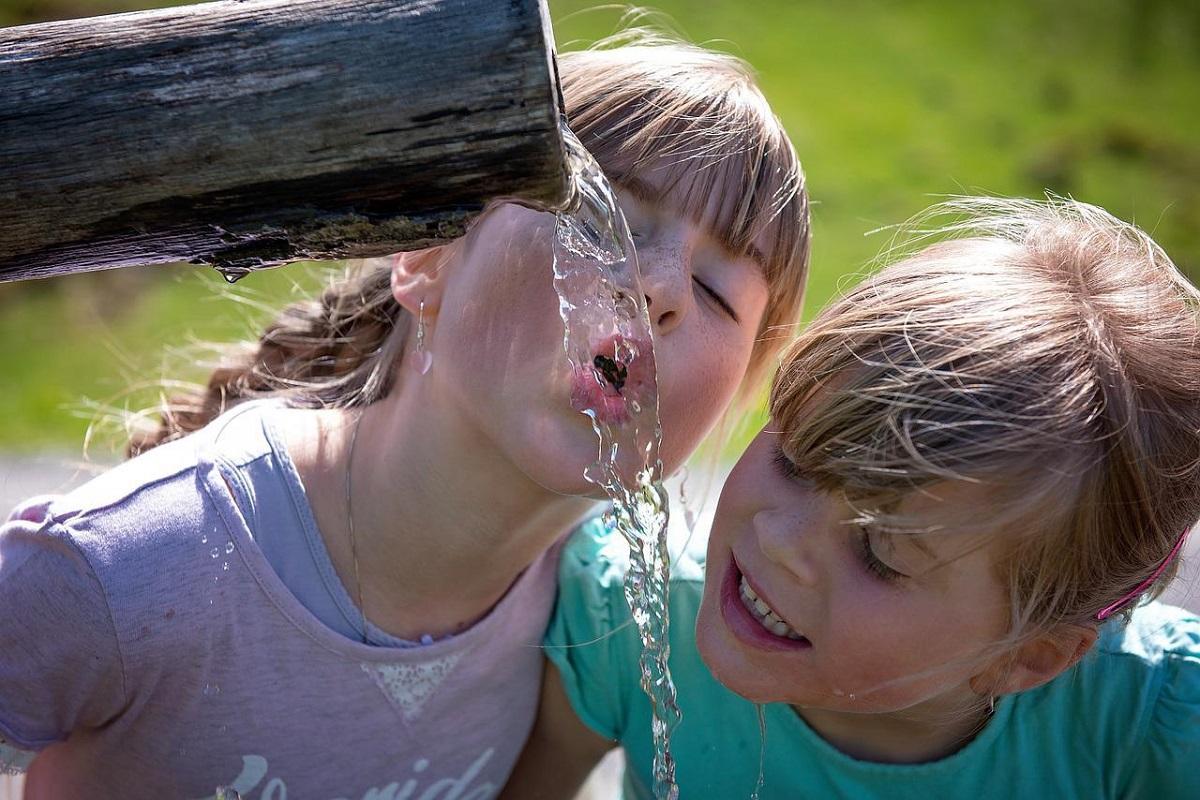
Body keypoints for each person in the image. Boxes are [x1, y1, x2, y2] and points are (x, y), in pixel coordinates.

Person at [0, 35, 810, 799]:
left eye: (716, 292)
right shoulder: (134, 562)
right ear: (426, 259)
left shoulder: (602, 621)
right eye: (605, 224)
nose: (659, 289)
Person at [505, 197, 1200, 799]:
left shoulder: (1149, 728)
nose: (780, 538)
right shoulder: (630, 619)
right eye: (795, 458)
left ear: (1027, 657)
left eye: (878, 551)